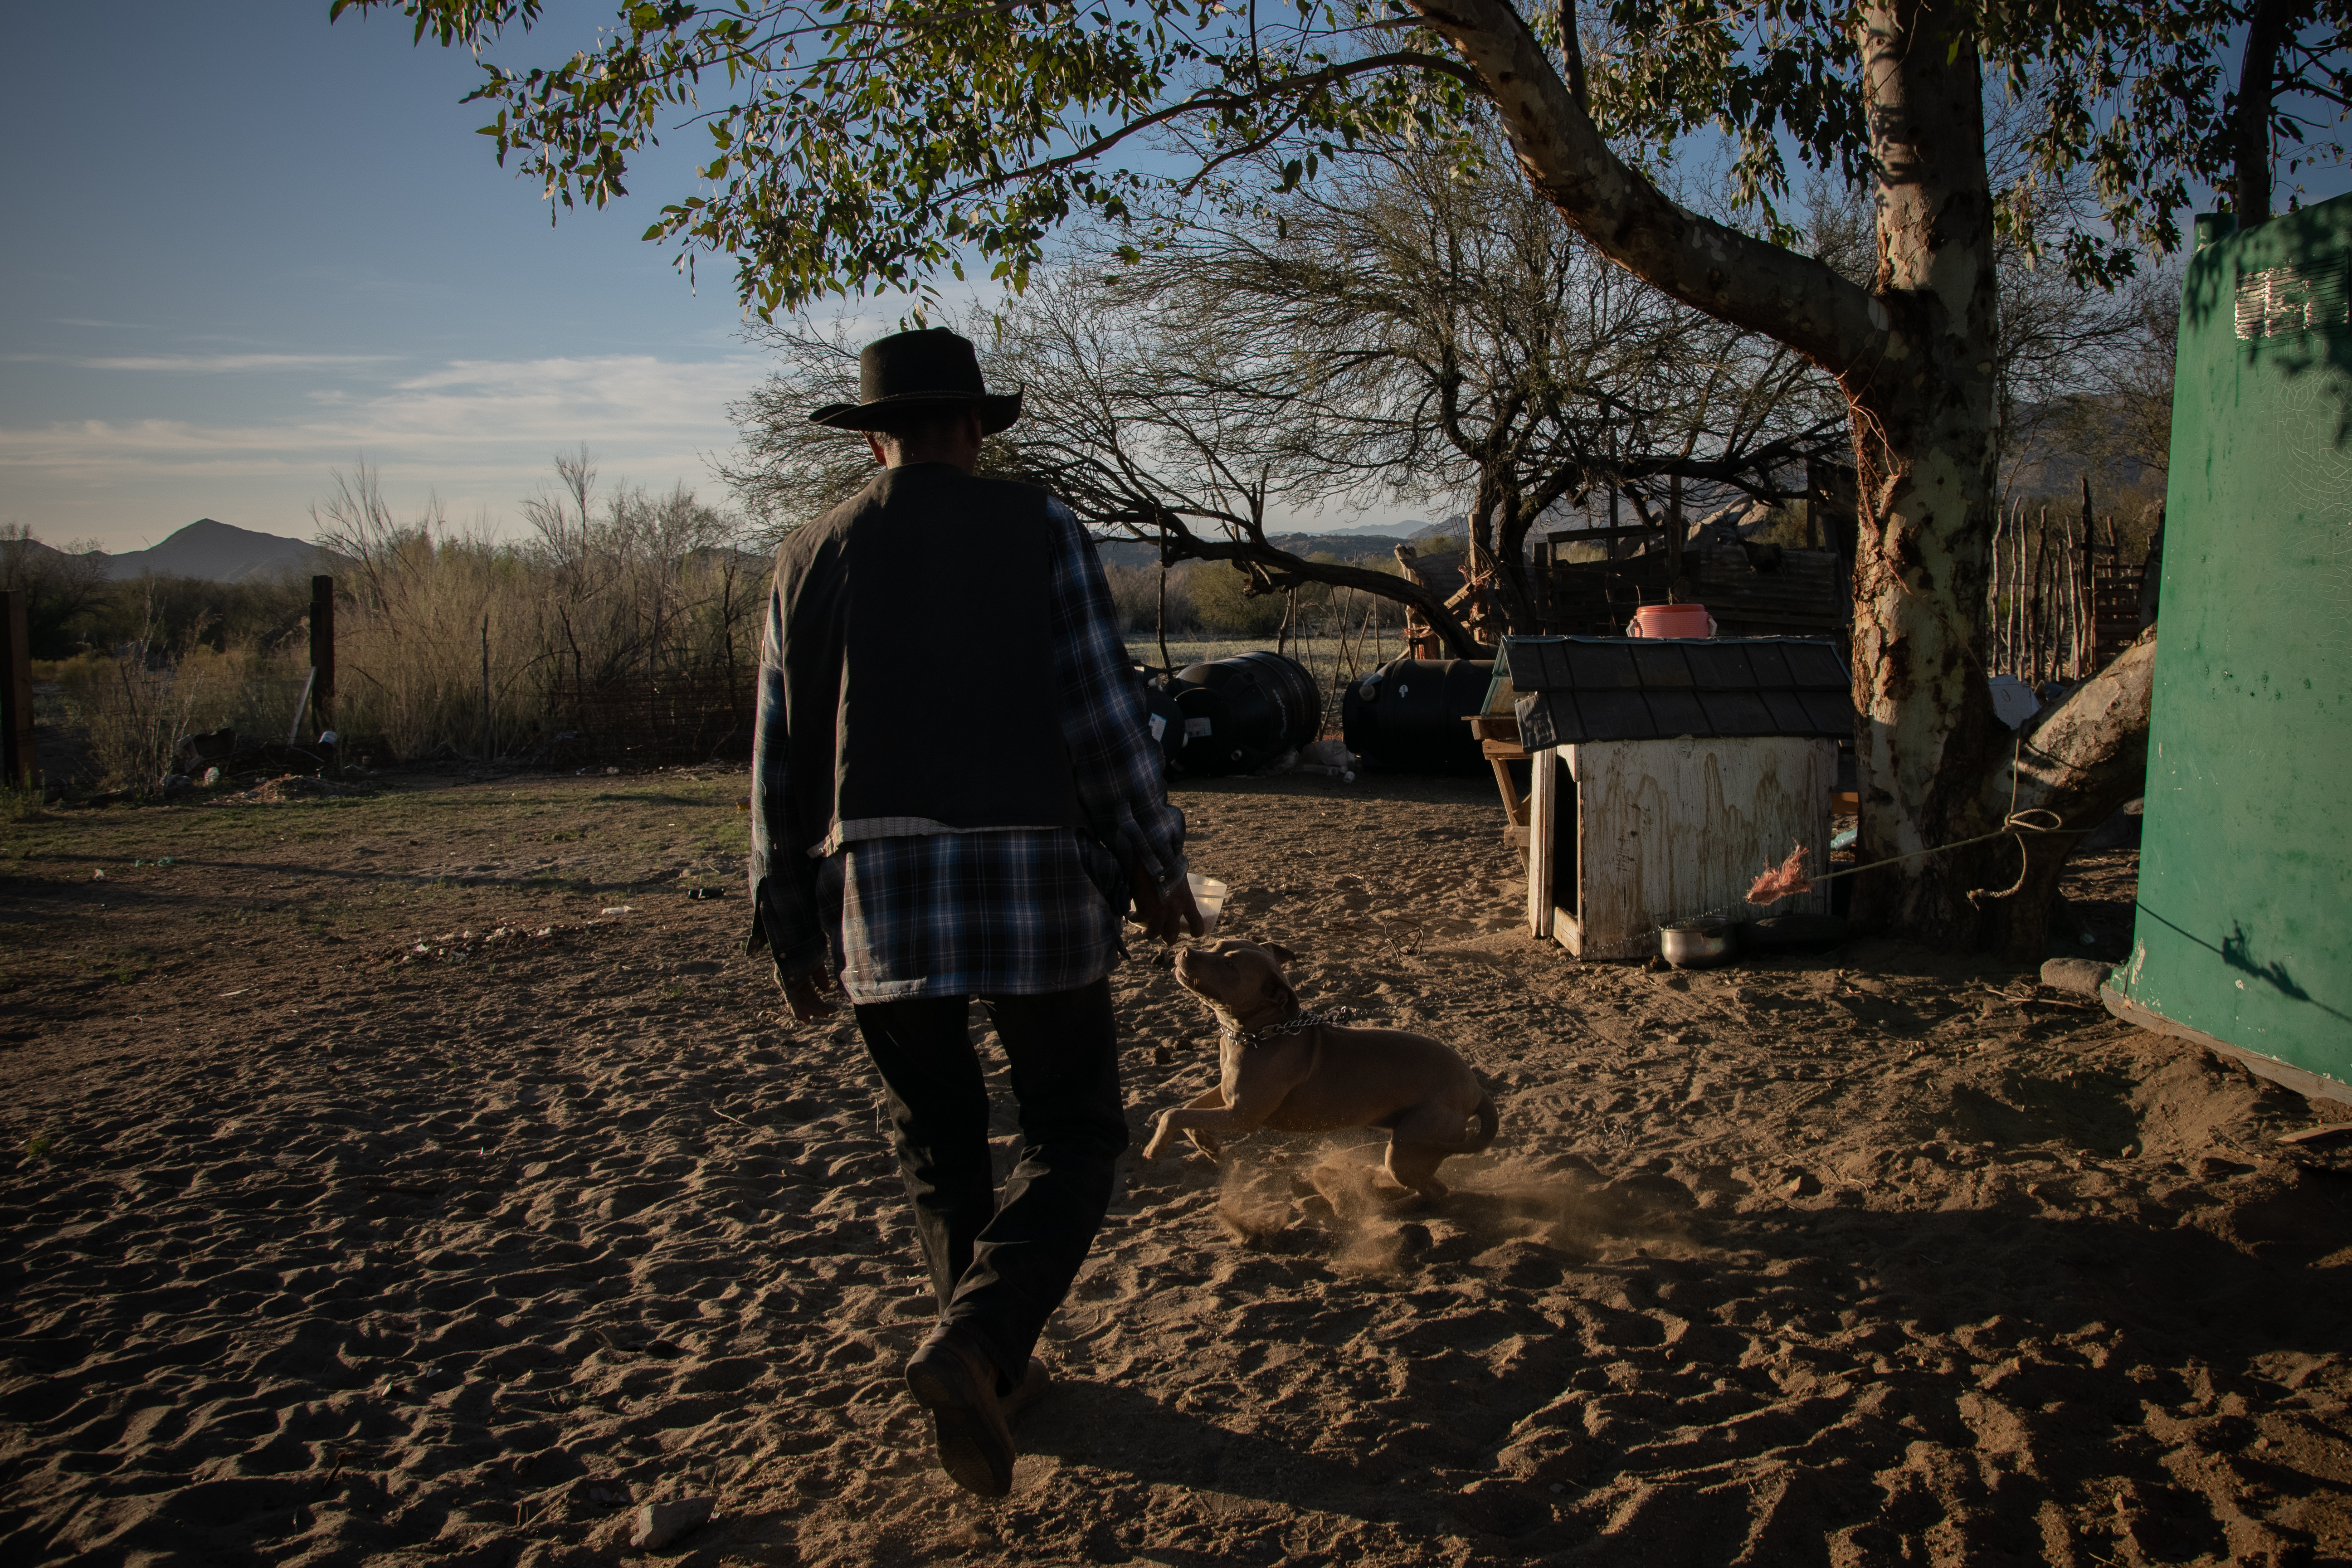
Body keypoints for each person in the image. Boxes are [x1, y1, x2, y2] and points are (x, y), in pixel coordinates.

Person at [745, 326, 1201, 1499]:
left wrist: (789, 916)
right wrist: (1157, 862)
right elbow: (1101, 716)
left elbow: (777, 757)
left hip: (875, 895)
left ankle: (989, 1358)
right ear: (974, 430)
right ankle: (982, 1342)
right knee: (1077, 1130)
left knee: (937, 1142)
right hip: (1033, 875)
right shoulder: (1037, 527)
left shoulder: (806, 554)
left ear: (878, 435)